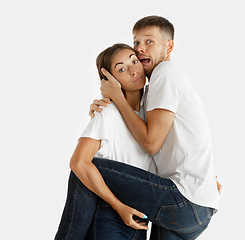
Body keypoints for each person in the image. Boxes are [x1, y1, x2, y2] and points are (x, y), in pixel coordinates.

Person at [90, 15, 221, 239]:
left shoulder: (165, 73)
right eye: (136, 42)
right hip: (197, 205)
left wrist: (117, 99)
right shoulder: (152, 91)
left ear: (169, 46)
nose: (140, 48)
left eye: (149, 41)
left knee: (89, 166)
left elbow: (151, 144)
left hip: (182, 198)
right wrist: (106, 103)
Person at [55, 43, 154, 240]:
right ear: (110, 80)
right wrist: (119, 207)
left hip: (140, 221)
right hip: (110, 217)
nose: (134, 70)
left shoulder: (151, 114)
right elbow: (78, 162)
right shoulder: (107, 113)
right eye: (122, 69)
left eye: (134, 61)